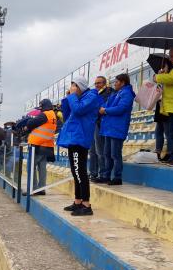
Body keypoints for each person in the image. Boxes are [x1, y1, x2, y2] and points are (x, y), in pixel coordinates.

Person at [56, 75, 102, 216]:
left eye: (74, 85)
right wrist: (68, 98)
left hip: (80, 138)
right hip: (74, 137)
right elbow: (68, 113)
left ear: (80, 86)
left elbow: (78, 110)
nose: (72, 88)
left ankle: (86, 204)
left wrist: (72, 97)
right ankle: (78, 201)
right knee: (75, 172)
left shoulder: (91, 97)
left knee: (80, 171)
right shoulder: (79, 98)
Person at [98, 74, 135, 185]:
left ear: (123, 82)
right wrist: (101, 107)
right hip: (109, 128)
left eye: (116, 82)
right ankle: (106, 176)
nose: (114, 84)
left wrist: (105, 110)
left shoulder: (127, 93)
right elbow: (106, 104)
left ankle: (117, 177)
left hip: (117, 128)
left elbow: (121, 108)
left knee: (115, 154)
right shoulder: (116, 93)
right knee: (107, 153)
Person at [23, 98, 57, 195]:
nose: (40, 109)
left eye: (41, 107)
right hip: (46, 145)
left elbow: (30, 123)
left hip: (37, 145)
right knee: (42, 168)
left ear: (45, 106)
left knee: (31, 167)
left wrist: (29, 122)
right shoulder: (52, 115)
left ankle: (32, 189)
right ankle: (41, 189)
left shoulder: (45, 114)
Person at [89, 76, 113, 182]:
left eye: (99, 83)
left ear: (104, 83)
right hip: (93, 124)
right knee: (92, 151)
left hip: (101, 124)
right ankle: (93, 173)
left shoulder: (108, 92)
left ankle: (103, 174)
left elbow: (101, 107)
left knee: (100, 150)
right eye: (95, 83)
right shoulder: (95, 94)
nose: (97, 85)